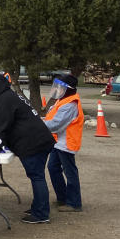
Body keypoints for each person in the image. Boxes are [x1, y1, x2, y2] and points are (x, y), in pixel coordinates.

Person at [0, 73, 55, 224]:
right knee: (37, 176)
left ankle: (41, 213)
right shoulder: (11, 95)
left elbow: (2, 127)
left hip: (33, 144)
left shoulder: (4, 100)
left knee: (37, 177)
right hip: (41, 140)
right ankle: (39, 206)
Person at [43, 75, 84, 212]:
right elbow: (52, 118)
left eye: (61, 87)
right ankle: (63, 198)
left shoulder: (70, 105)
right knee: (53, 168)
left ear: (68, 89)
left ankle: (74, 203)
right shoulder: (63, 101)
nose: (58, 90)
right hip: (58, 142)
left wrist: (37, 124)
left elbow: (55, 125)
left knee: (70, 172)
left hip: (66, 143)